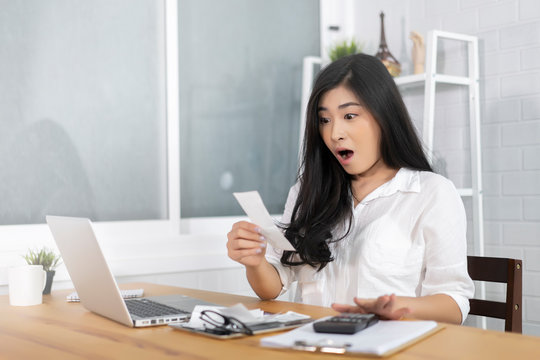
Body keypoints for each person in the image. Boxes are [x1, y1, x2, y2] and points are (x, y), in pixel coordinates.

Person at [226, 53, 474, 325]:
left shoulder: (431, 193)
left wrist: (398, 307)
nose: (334, 134)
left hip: (389, 348)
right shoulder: (307, 192)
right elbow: (274, 286)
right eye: (325, 120)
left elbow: (454, 303)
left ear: (384, 117)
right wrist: (255, 261)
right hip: (311, 346)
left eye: (349, 115)